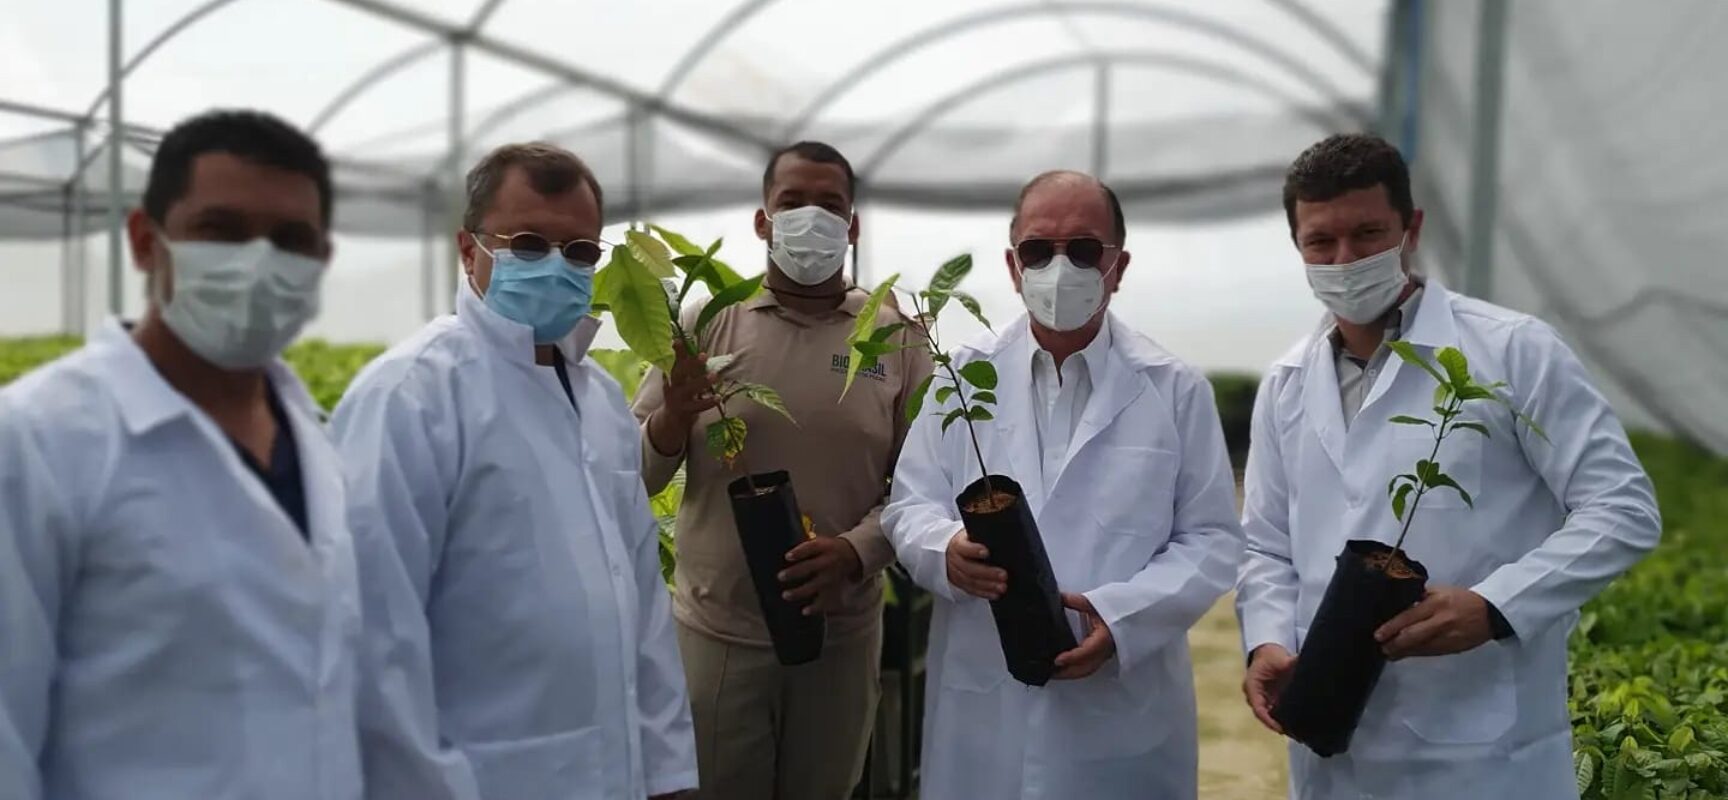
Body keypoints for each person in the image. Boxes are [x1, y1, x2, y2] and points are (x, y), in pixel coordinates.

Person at [1236, 133, 1662, 799]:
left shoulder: (1513, 351)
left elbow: (1622, 509)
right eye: (1321, 242)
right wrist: (1265, 640)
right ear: (1298, 246)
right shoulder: (1287, 383)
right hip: (1332, 739)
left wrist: (1496, 605)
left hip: (1482, 750)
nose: (1345, 260)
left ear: (1411, 228)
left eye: (1367, 233)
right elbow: (1266, 545)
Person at [0, 110, 361, 799]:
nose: (258, 264)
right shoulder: (38, 440)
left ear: (320, 261)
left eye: (290, 240)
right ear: (146, 241)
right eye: (222, 230)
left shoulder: (314, 440)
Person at [331, 142, 696, 800]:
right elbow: (372, 631)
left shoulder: (599, 401)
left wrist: (667, 771)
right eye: (528, 244)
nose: (557, 266)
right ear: (467, 249)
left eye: (579, 251)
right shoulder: (414, 395)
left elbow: (641, 598)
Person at [881, 170, 1244, 799]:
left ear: (1117, 266)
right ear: (1013, 266)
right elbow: (909, 504)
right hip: (985, 698)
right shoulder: (962, 377)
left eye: (1082, 250)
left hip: (1119, 708)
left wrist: (1123, 617)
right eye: (1038, 250)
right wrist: (944, 551)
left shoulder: (1173, 388)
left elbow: (1212, 540)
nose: (1059, 268)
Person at [631, 141, 931, 800]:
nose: (811, 218)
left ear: (852, 227)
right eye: (792, 202)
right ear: (762, 221)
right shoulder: (705, 325)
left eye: (830, 204)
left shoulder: (896, 340)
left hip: (840, 638)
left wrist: (856, 552)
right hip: (718, 636)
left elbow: (924, 489)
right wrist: (673, 418)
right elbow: (634, 476)